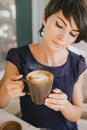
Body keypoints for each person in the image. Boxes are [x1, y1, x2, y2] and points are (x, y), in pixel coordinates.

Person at [0, 0, 87, 129]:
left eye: (72, 33)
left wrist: (65, 106)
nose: (63, 37)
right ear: (44, 18)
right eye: (59, 25)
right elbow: (1, 103)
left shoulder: (76, 64)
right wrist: (7, 91)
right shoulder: (19, 57)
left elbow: (76, 113)